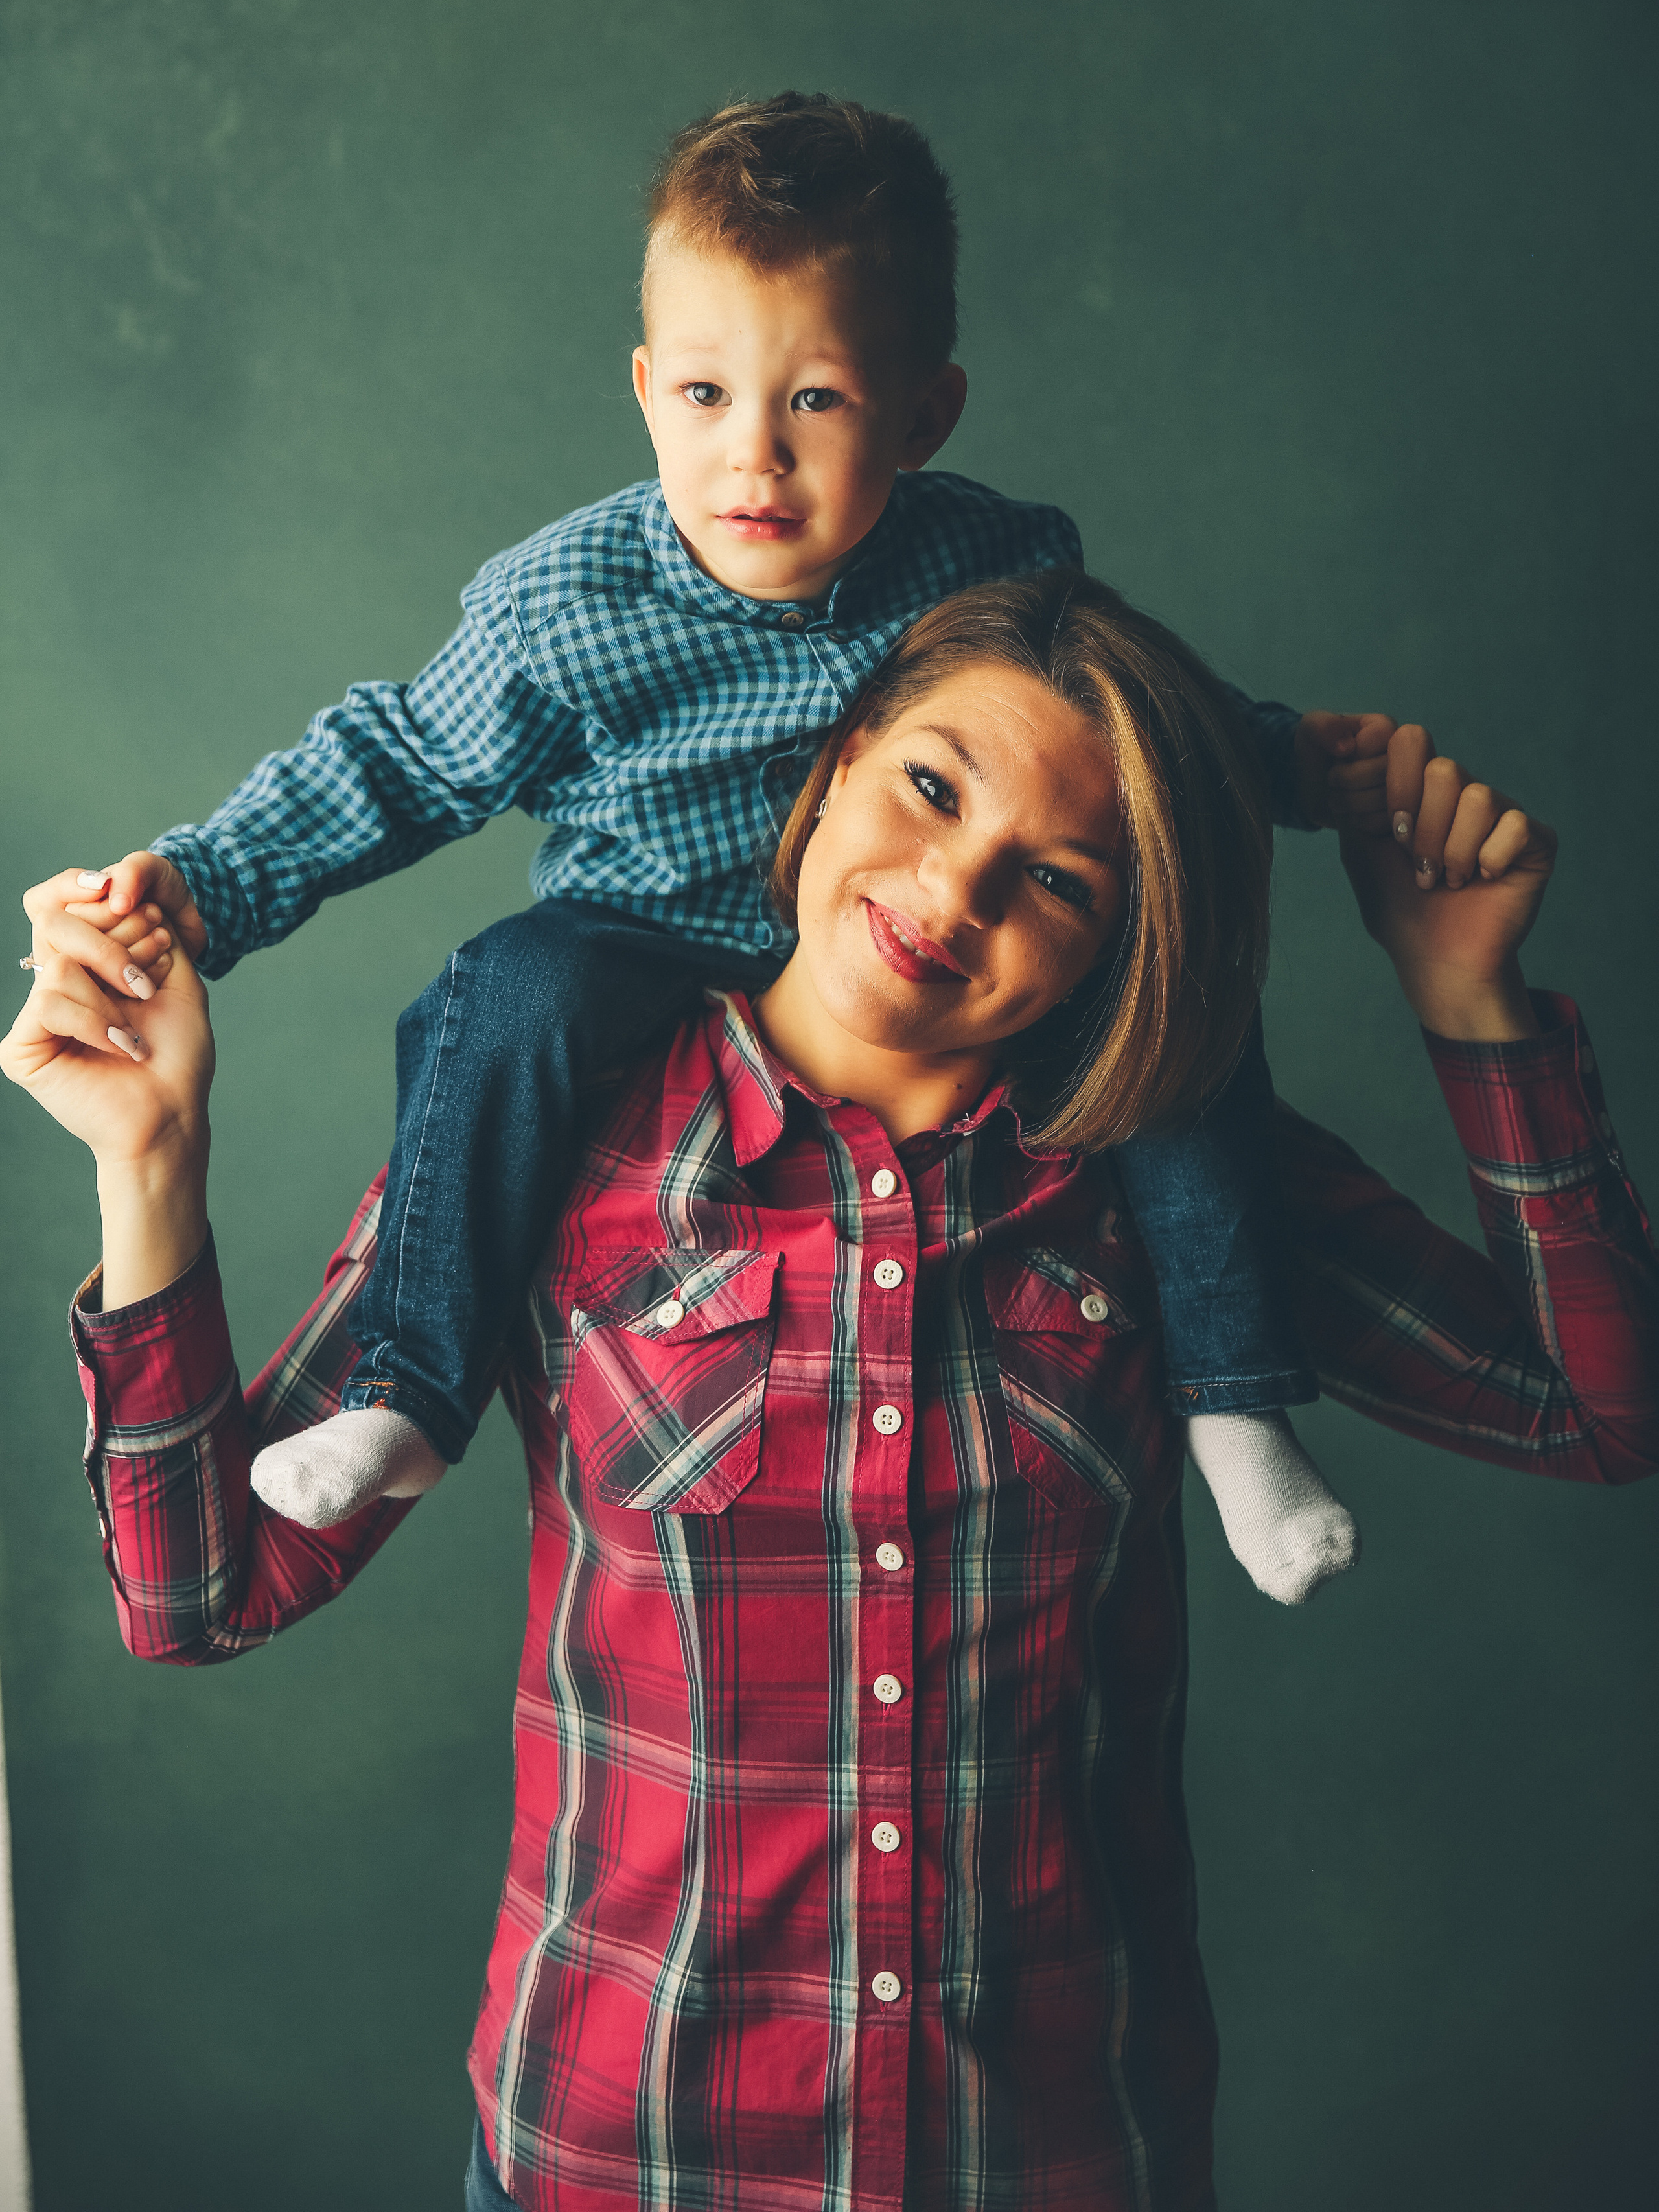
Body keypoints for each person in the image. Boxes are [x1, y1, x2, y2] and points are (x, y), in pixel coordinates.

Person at [8, 572, 1654, 2212]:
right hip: (622, 2152)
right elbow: (200, 1595)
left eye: (1058, 879)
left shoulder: (1174, 1193)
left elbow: (1599, 1416)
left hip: (1058, 2161)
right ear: (833, 759)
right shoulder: (550, 1130)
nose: (951, 889)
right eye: (930, 787)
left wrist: (1469, 1005)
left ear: (1124, 936)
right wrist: (150, 1166)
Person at [23, 93, 1398, 1598]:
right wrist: (207, 885)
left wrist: (1288, 767)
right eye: (700, 396)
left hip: (930, 957)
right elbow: (405, 754)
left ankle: (1235, 1409)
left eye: (814, 402)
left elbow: (1123, 734)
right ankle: (408, 1394)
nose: (751, 456)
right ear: (641, 389)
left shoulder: (987, 563)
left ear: (921, 414)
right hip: (645, 941)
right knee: (504, 988)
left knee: (1171, 1019)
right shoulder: (570, 603)